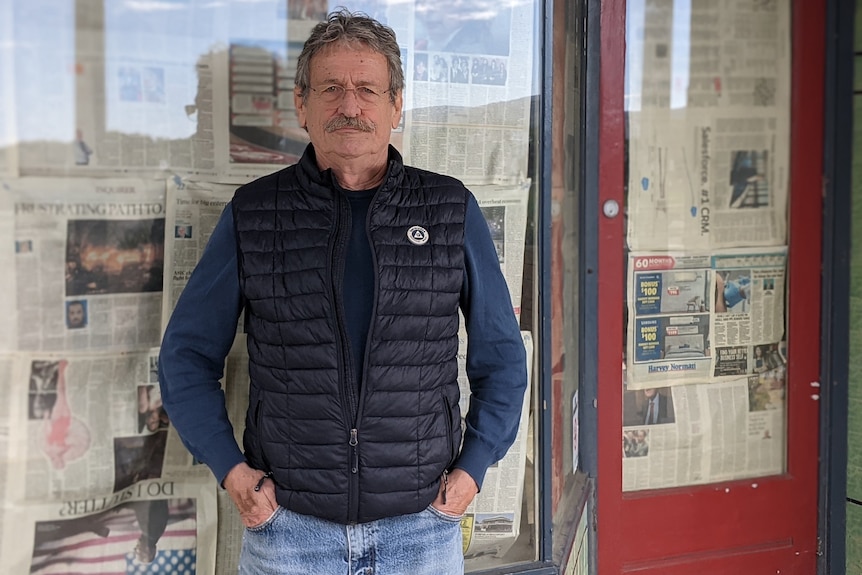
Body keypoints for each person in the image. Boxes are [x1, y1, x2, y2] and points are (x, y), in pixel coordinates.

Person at [158, 10, 527, 575]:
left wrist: (472, 470)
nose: (350, 106)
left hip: (422, 532)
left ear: (395, 105)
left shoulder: (451, 210)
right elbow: (185, 356)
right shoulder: (255, 214)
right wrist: (233, 472)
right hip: (289, 535)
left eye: (367, 90)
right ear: (301, 105)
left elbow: (502, 358)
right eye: (331, 89)